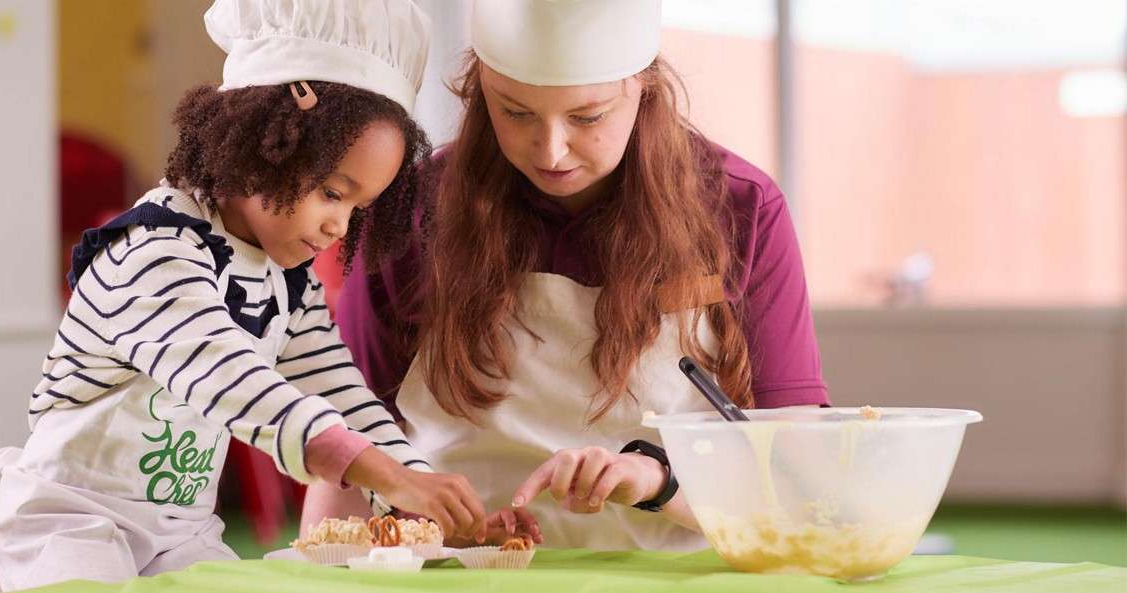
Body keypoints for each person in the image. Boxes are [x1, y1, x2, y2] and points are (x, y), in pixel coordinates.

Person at [0, 0, 489, 591]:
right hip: (70, 525)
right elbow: (232, 381)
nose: (339, 228)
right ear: (263, 139)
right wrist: (383, 473)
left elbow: (343, 398)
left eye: (358, 208)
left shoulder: (287, 283)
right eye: (331, 191)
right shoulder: (152, 251)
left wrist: (429, 498)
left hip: (180, 534)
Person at [306, 0, 829, 552]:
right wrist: (317, 567)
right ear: (479, 89)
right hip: (462, 574)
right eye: (516, 112)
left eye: (588, 117)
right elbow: (352, 440)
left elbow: (797, 465)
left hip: (676, 578)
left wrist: (657, 480)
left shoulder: (742, 205)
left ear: (644, 87)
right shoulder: (411, 208)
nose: (551, 151)